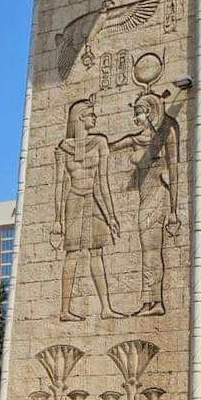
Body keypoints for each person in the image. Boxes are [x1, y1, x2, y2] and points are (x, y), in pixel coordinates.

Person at [109, 90, 180, 317]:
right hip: (143, 199)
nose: (135, 119)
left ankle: (155, 302)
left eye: (138, 114)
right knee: (147, 251)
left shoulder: (166, 135)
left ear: (148, 112)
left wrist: (173, 211)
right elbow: (112, 146)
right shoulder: (136, 139)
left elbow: (174, 172)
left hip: (158, 195)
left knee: (151, 250)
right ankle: (148, 300)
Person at [50, 97, 122, 321]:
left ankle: (106, 308)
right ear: (81, 117)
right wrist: (57, 220)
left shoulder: (100, 142)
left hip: (94, 200)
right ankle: (64, 310)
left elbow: (103, 182)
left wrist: (111, 216)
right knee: (72, 253)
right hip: (74, 201)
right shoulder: (63, 148)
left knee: (96, 252)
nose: (95, 117)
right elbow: (59, 185)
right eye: (91, 114)